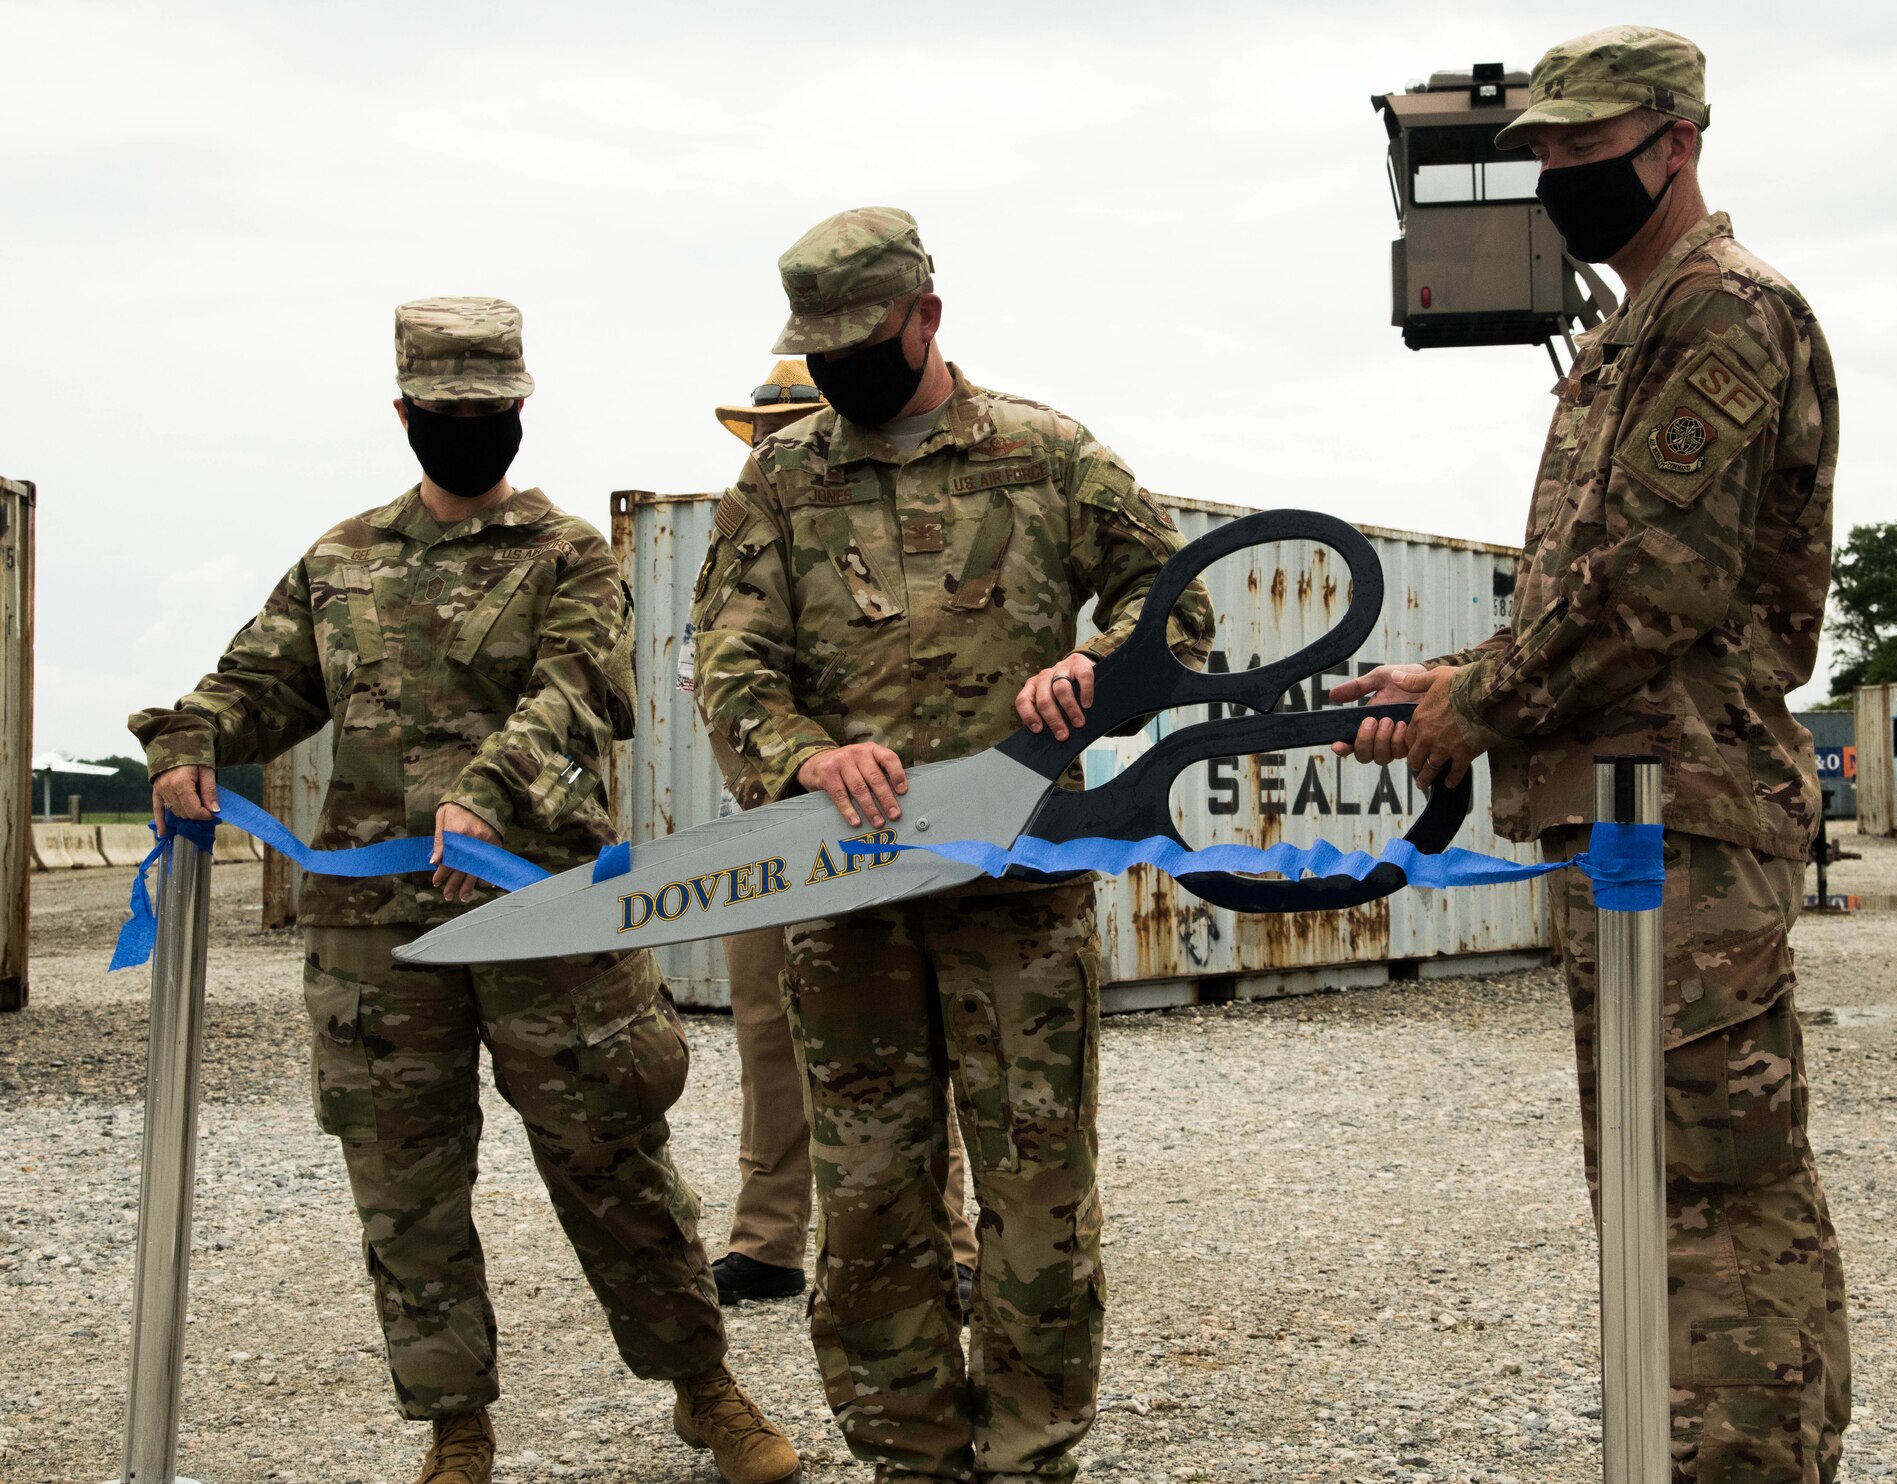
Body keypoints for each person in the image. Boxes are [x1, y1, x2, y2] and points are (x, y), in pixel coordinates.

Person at [130, 299, 799, 1484]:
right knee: (405, 1186)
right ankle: (457, 1426)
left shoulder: (567, 556)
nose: (467, 431)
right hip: (377, 945)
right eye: (446, 416)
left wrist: (489, 791)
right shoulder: (341, 560)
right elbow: (255, 681)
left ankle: (706, 1387)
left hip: (547, 918)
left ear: (520, 413)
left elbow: (579, 689)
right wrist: (188, 743)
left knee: (614, 1164)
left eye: (486, 414)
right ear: (404, 416)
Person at [1332, 28, 1849, 1483]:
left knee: (1706, 1207)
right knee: (1671, 1186)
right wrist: (1454, 679)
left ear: (1676, 140)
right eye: (1545, 151)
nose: (1558, 173)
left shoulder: (1721, 314)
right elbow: (1600, 602)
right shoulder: (1633, 329)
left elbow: (1654, 596)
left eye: (1585, 145)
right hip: (1630, 812)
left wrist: (1475, 708)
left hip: (1671, 817)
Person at [693, 207, 1214, 1482]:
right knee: (869, 1197)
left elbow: (1174, 602)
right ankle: (910, 1455)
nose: (836, 370)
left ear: (924, 317)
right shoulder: (781, 478)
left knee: (1036, 1195)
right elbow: (730, 658)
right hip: (846, 890)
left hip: (1017, 892)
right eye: (814, 349)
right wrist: (805, 754)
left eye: (857, 341)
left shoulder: (1046, 455)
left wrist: (1093, 671)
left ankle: (1031, 1454)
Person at [699, 361, 981, 1308]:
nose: (772, 440)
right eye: (763, 427)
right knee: (768, 1035)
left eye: (790, 421)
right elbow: (729, 669)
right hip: (766, 826)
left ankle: (953, 1242)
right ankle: (767, 1240)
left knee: (904, 1036)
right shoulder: (745, 522)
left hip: (875, 826)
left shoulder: (892, 519)